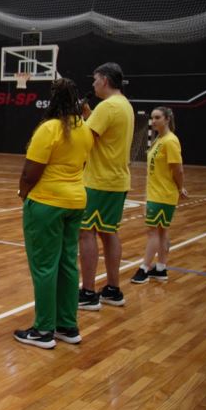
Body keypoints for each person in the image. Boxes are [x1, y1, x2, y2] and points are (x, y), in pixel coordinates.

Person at [14, 79, 94, 349]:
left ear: (53, 100)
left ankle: (44, 329)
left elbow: (31, 171)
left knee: (44, 266)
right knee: (68, 263)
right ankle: (67, 326)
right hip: (76, 200)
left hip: (47, 202)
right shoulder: (84, 129)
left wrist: (23, 194)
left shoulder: (49, 129)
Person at [78, 62, 135, 311]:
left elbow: (85, 140)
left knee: (85, 232)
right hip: (117, 179)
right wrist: (88, 115)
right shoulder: (124, 104)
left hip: (98, 181)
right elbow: (102, 132)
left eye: (95, 79)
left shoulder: (108, 106)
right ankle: (113, 289)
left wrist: (73, 119)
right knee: (109, 232)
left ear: (104, 80)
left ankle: (88, 292)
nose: (92, 84)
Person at [131, 107, 187, 284]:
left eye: (157, 117)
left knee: (153, 232)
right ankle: (161, 268)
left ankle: (144, 268)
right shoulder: (159, 140)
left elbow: (178, 169)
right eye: (152, 117)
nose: (153, 121)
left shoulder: (170, 141)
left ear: (167, 119)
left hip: (163, 195)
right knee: (162, 232)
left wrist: (180, 188)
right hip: (156, 193)